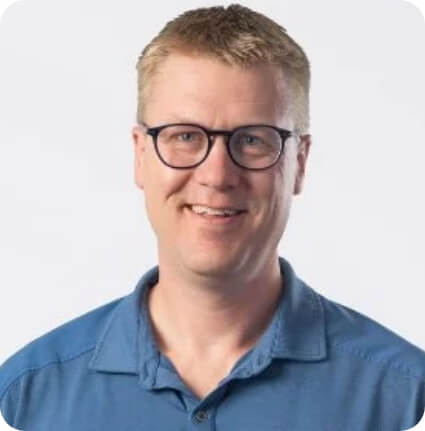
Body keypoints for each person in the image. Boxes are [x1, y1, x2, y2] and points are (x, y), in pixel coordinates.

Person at [1, 4, 424, 430]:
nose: (217, 176)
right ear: (140, 155)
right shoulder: (24, 399)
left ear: (299, 162)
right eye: (185, 136)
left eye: (253, 140)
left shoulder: (405, 398)